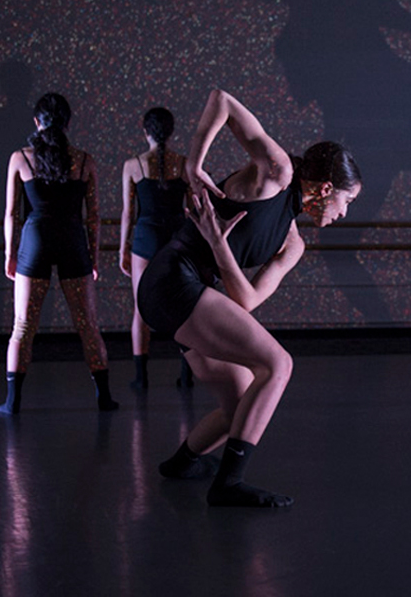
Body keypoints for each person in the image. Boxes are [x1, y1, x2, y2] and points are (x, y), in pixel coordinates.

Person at [138, 89, 360, 507]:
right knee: (279, 364)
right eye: (347, 201)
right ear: (327, 188)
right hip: (170, 279)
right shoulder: (277, 173)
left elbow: (246, 302)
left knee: (242, 406)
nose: (344, 213)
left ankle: (183, 463)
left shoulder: (292, 244)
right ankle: (229, 484)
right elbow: (221, 100)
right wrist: (193, 166)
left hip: (189, 294)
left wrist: (219, 246)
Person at [0, 93, 118, 414]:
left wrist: (10, 254)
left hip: (35, 239)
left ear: (36, 122)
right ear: (67, 124)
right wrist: (93, 256)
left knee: (23, 326)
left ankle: (12, 402)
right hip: (72, 239)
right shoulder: (85, 161)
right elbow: (93, 216)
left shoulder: (20, 158)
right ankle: (104, 397)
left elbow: (11, 214)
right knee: (88, 324)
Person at [118, 107, 191, 390]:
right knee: (183, 307)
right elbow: (193, 208)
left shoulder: (133, 165)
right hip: (177, 238)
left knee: (141, 309)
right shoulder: (184, 164)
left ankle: (141, 377)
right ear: (170, 132)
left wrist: (123, 248)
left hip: (146, 238)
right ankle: (187, 375)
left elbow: (128, 213)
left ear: (145, 131)